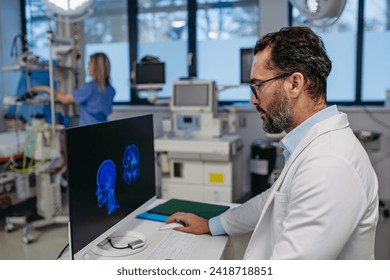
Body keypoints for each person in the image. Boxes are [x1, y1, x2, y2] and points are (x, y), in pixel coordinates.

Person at [166, 26, 379, 260]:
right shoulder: (311, 145)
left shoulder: (330, 163)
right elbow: (273, 200)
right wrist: (212, 225)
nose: (252, 99)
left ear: (295, 84)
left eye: (258, 85)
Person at [31, 52, 115, 126]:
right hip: (103, 127)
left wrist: (44, 88)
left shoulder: (90, 88)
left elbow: (64, 99)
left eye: (89, 64)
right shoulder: (111, 90)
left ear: (96, 67)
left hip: (90, 130)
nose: (88, 67)